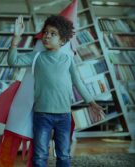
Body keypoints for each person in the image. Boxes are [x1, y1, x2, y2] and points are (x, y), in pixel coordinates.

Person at [7, 15, 105, 167]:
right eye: (46, 32)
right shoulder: (37, 57)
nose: (47, 35)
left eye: (53, 33)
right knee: (40, 156)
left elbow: (78, 83)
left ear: (62, 41)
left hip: (64, 116)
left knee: (64, 154)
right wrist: (16, 38)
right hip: (42, 115)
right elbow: (13, 62)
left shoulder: (68, 60)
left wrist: (91, 102)